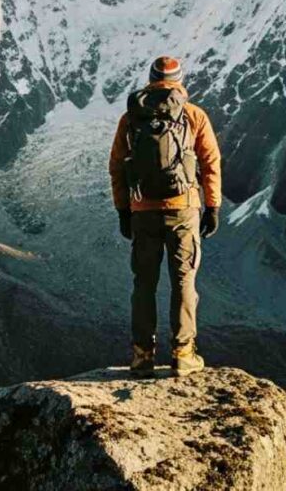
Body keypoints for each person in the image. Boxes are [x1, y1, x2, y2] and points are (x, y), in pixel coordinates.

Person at [108, 56, 222, 378]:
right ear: (179, 80)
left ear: (151, 79)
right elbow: (210, 162)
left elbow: (117, 165)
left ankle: (142, 357)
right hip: (182, 209)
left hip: (143, 211)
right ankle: (184, 354)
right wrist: (212, 206)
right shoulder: (193, 115)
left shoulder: (131, 118)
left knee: (144, 284)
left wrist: (123, 210)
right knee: (183, 281)